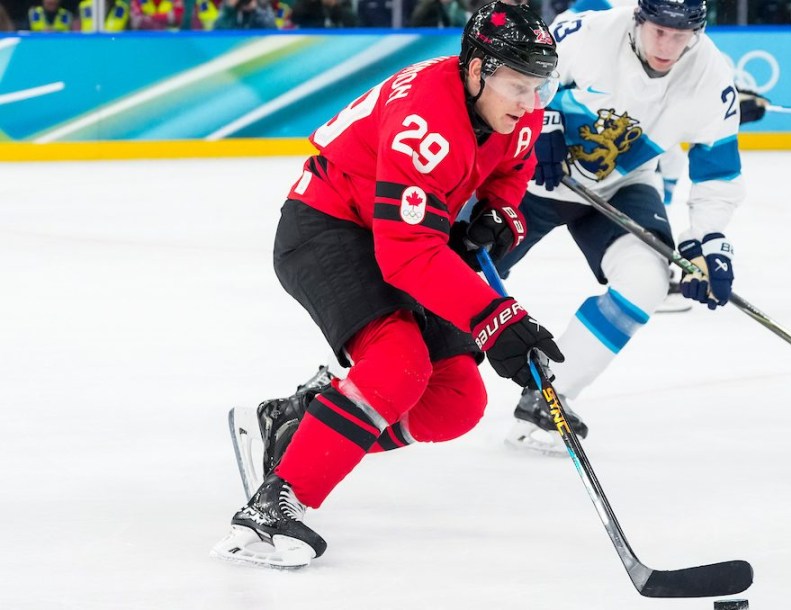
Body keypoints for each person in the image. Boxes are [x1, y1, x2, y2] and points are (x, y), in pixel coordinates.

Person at [211, 0, 564, 569]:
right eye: (520, 87)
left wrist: (499, 212)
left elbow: (510, 171)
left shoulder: (513, 113)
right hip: (329, 224)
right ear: (477, 70)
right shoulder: (426, 118)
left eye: (539, 88)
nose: (531, 104)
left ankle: (298, 426)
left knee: (455, 404)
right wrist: (496, 317)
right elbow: (407, 256)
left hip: (409, 231)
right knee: (398, 365)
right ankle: (275, 504)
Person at [486, 0, 748, 455]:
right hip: (534, 179)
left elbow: (717, 175)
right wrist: (540, 121)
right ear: (639, 19)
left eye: (680, 34)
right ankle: (365, 377)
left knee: (646, 281)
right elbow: (524, 71)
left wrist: (709, 244)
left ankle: (548, 394)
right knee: (459, 274)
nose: (666, 45)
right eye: (658, 31)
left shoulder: (712, 79)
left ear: (698, 32)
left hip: (621, 184)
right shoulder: (589, 30)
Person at [290, 0, 358, 27]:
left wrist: (334, 6)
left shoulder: (344, 7)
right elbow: (295, 19)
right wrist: (311, 3)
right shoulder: (306, 5)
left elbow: (350, 21)